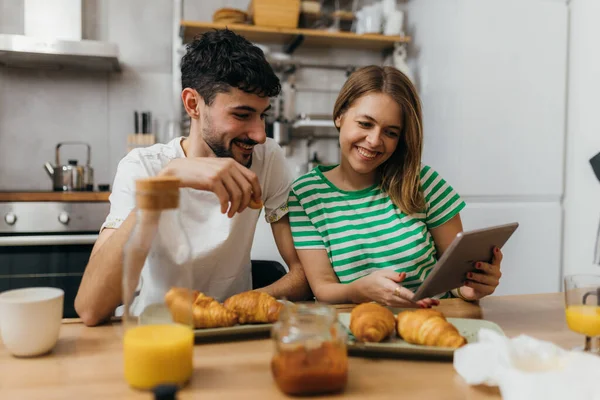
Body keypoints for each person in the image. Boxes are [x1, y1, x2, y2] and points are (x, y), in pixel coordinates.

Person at [75, 29, 311, 326]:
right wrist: (167, 181)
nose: (259, 135)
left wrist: (238, 306)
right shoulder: (143, 168)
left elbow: (303, 275)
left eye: (262, 115)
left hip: (230, 334)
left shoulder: (266, 159)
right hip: (155, 335)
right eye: (242, 115)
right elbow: (91, 308)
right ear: (193, 104)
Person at [288, 66, 503, 308]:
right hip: (357, 327)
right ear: (339, 115)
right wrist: (359, 290)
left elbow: (455, 278)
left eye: (390, 132)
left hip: (433, 320)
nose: (374, 141)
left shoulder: (423, 182)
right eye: (365, 124)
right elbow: (323, 288)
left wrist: (470, 288)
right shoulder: (306, 194)